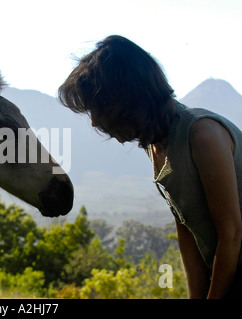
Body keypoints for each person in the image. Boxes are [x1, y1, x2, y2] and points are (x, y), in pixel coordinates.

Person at [58, 35, 242, 299]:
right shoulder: (156, 145)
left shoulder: (203, 136)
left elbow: (232, 235)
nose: (94, 123)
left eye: (98, 108)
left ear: (127, 100)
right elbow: (187, 230)